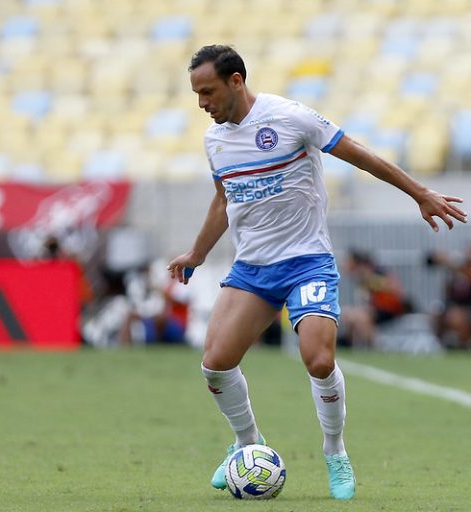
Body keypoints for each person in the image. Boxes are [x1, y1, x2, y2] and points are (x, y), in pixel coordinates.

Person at [166, 45, 467, 501]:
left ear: (235, 81)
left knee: (319, 359)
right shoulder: (215, 141)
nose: (202, 103)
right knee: (215, 364)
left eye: (207, 92)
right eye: (195, 94)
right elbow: (223, 200)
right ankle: (249, 446)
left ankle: (335, 450)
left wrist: (419, 192)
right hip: (252, 268)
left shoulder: (290, 118)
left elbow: (359, 154)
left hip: (307, 261)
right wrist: (196, 253)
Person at [338, 249, 412, 348]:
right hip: (378, 308)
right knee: (350, 315)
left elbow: (394, 289)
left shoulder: (375, 272)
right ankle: (348, 341)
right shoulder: (362, 276)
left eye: (348, 262)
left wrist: (370, 280)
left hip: (389, 307)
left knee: (360, 317)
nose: (345, 265)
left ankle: (375, 346)